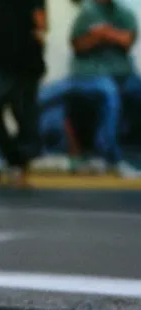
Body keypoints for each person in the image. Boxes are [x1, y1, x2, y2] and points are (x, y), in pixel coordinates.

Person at [0, 0, 47, 187]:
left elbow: (40, 24)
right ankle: (16, 163)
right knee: (22, 115)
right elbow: (40, 24)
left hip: (8, 58)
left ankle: (11, 160)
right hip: (17, 58)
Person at [67, 0, 141, 178]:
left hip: (123, 73)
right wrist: (99, 37)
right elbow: (78, 45)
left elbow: (127, 40)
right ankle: (110, 155)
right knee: (109, 93)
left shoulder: (124, 13)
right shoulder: (87, 13)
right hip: (91, 74)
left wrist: (105, 33)